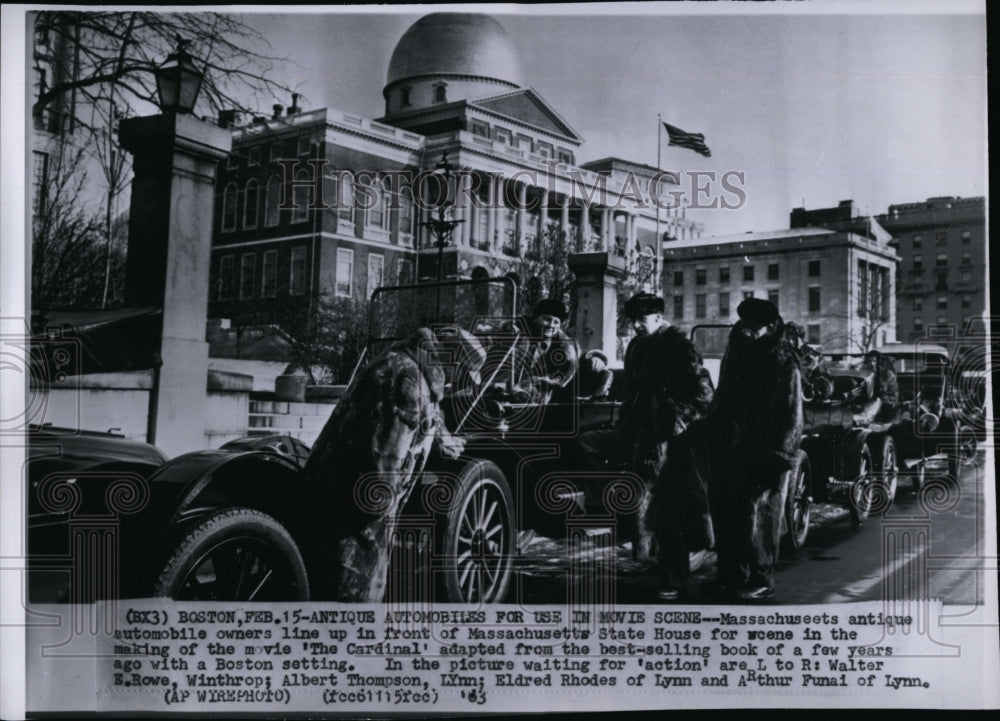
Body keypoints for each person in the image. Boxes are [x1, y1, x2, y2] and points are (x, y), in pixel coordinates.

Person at [303, 326, 486, 601]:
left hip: (334, 487)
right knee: (348, 601)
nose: (461, 383)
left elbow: (425, 414)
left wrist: (443, 439)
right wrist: (383, 510)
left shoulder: (406, 363)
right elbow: (383, 462)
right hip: (352, 514)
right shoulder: (409, 379)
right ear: (452, 361)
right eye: (464, 374)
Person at [578, 291, 714, 562]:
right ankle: (608, 504)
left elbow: (705, 392)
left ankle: (661, 557)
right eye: (632, 321)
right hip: (633, 430)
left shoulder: (679, 345)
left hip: (665, 438)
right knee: (586, 442)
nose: (635, 326)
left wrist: (677, 419)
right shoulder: (637, 346)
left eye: (641, 320)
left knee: (654, 495)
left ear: (658, 317)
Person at [707, 297, 803, 601]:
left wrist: (778, 455)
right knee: (725, 509)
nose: (748, 331)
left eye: (755, 327)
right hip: (730, 445)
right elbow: (722, 397)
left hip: (764, 450)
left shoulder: (783, 361)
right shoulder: (735, 352)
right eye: (745, 325)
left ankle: (763, 577)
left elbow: (791, 414)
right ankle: (731, 574)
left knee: (761, 514)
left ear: (771, 327)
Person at [511, 298, 580, 404]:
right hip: (507, 384)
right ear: (535, 318)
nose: (551, 325)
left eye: (556, 322)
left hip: (536, 393)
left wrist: (543, 380)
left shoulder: (564, 343)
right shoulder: (518, 329)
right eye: (547, 319)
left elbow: (570, 366)